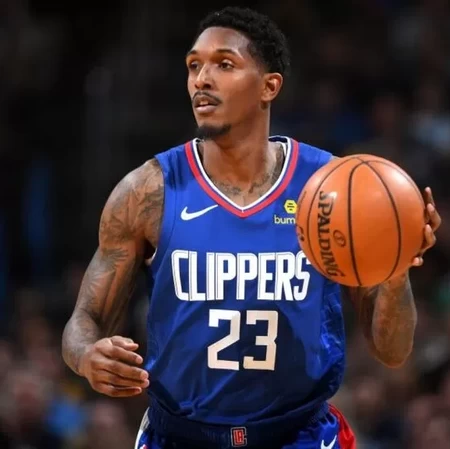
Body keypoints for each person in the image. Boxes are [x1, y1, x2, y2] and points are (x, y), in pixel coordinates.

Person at [62, 7, 441, 449]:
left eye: (224, 64)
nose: (202, 79)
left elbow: (393, 352)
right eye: (194, 66)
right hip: (179, 436)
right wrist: (87, 356)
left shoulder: (331, 188)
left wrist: (395, 265)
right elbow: (83, 321)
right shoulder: (149, 191)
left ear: (269, 86)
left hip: (299, 435)